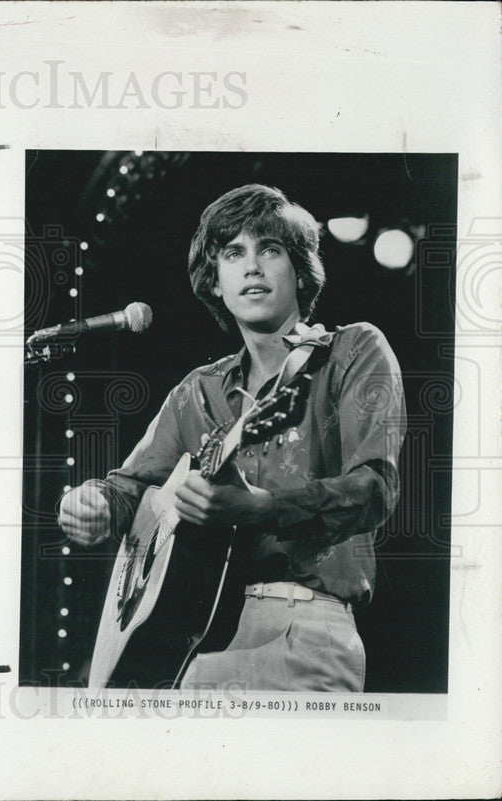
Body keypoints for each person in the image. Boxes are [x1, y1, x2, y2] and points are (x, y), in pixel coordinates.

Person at [59, 184, 405, 692]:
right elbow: (129, 488)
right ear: (215, 281)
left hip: (304, 632)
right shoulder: (195, 393)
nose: (252, 266)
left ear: (300, 270)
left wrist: (259, 507)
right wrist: (95, 505)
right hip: (195, 644)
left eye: (270, 249)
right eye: (233, 253)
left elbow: (375, 489)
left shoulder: (352, 351)